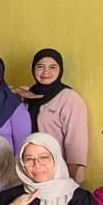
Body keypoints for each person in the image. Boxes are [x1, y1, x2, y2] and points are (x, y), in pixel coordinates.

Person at [13, 49, 90, 183]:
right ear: (33, 69)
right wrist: (15, 90)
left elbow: (76, 141)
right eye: (40, 66)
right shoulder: (26, 93)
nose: (45, 72)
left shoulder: (69, 98)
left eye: (52, 67)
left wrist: (71, 178)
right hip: (28, 168)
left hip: (56, 171)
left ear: (60, 70)